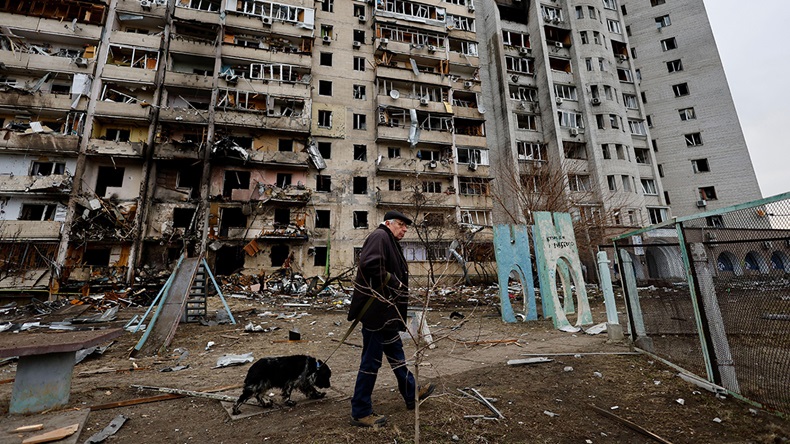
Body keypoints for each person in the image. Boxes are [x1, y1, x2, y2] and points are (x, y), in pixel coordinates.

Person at [348, 210, 436, 427]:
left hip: (386, 315)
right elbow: (370, 264)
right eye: (401, 225)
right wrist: (394, 282)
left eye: (406, 227)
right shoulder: (379, 236)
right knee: (371, 362)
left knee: (397, 357)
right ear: (388, 223)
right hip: (376, 315)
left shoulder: (388, 239)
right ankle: (360, 411)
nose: (405, 230)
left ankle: (411, 394)